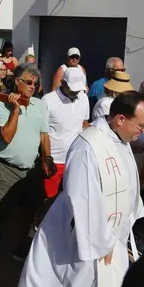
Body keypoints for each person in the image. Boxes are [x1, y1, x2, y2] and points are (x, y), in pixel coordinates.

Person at [14, 91, 144, 287]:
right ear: (120, 119)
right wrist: (101, 242)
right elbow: (81, 198)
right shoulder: (87, 145)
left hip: (111, 235)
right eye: (141, 125)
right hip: (83, 236)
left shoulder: (121, 139)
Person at [0, 64, 50, 257]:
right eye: (28, 82)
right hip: (6, 168)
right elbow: (6, 137)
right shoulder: (2, 106)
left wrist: (48, 158)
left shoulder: (39, 105)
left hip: (32, 170)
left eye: (35, 84)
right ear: (16, 82)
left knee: (29, 210)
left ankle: (20, 243)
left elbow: (44, 136)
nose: (32, 87)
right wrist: (15, 110)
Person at [41, 67, 90, 201]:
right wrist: (47, 159)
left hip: (76, 161)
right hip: (55, 161)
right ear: (62, 82)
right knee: (49, 201)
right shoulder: (48, 100)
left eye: (78, 90)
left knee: (71, 200)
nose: (75, 93)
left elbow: (84, 125)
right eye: (72, 89)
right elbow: (43, 133)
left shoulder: (84, 98)